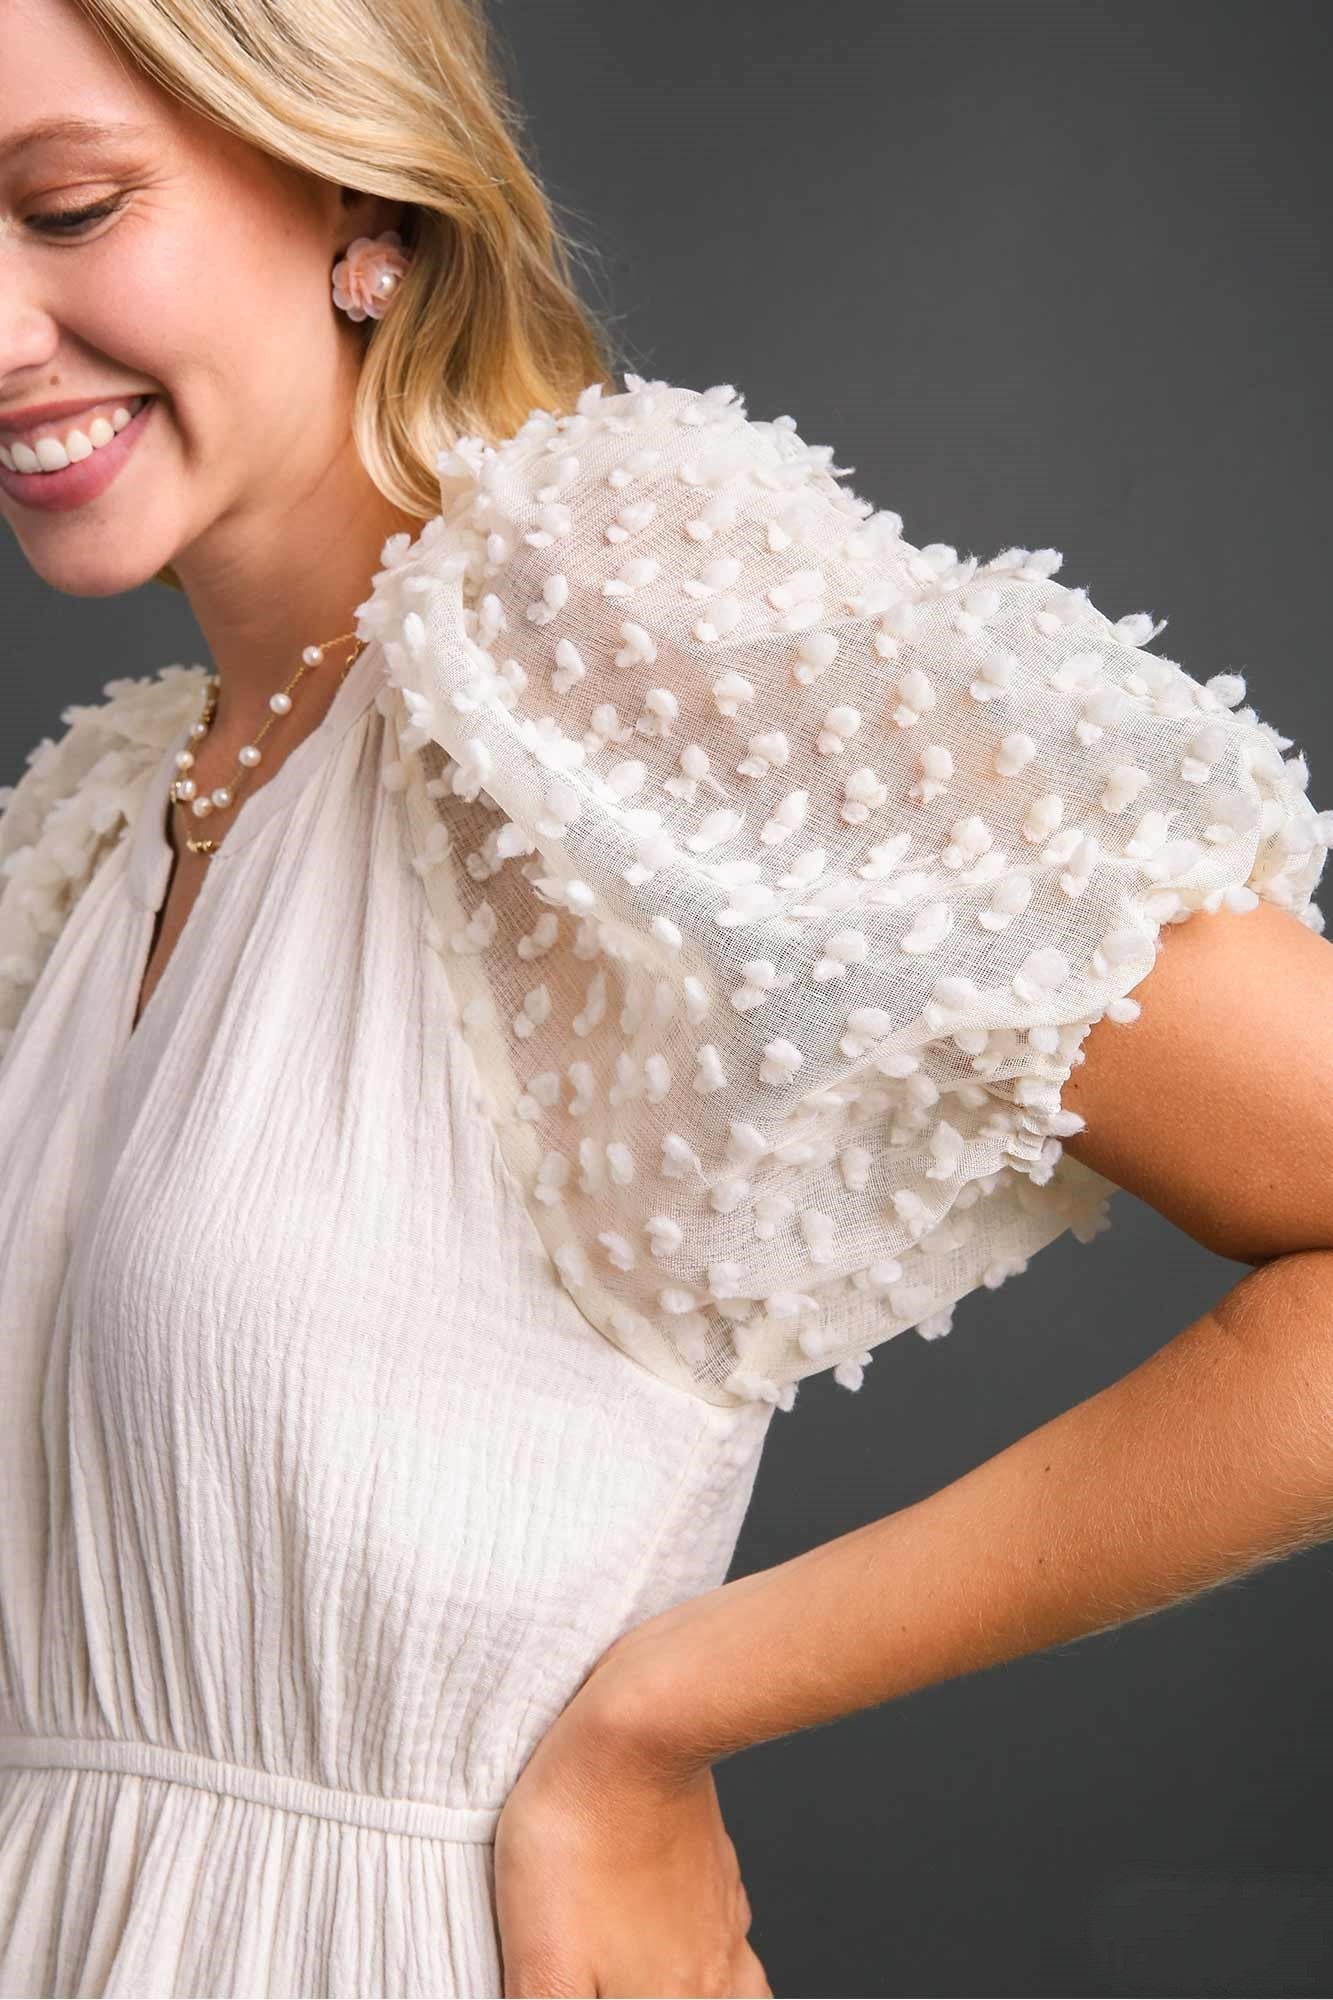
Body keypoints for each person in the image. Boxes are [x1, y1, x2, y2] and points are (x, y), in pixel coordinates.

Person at [1, 1, 1331, 1996]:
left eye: (69, 208)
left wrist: (657, 1718)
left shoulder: (583, 652)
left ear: (359, 196)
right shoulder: (103, 829)